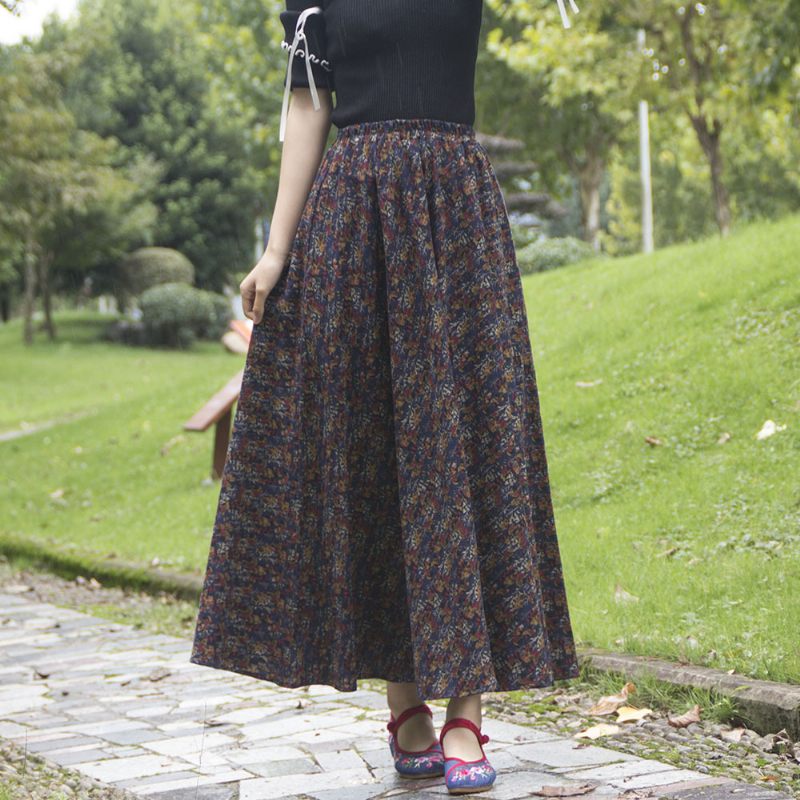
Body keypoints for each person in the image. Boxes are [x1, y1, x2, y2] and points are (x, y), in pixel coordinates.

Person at [190, 0, 581, 794]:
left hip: (455, 220)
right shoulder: (311, 3)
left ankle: (468, 707)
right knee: (372, 457)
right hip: (351, 219)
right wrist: (275, 251)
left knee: (470, 445)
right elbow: (308, 107)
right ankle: (406, 701)